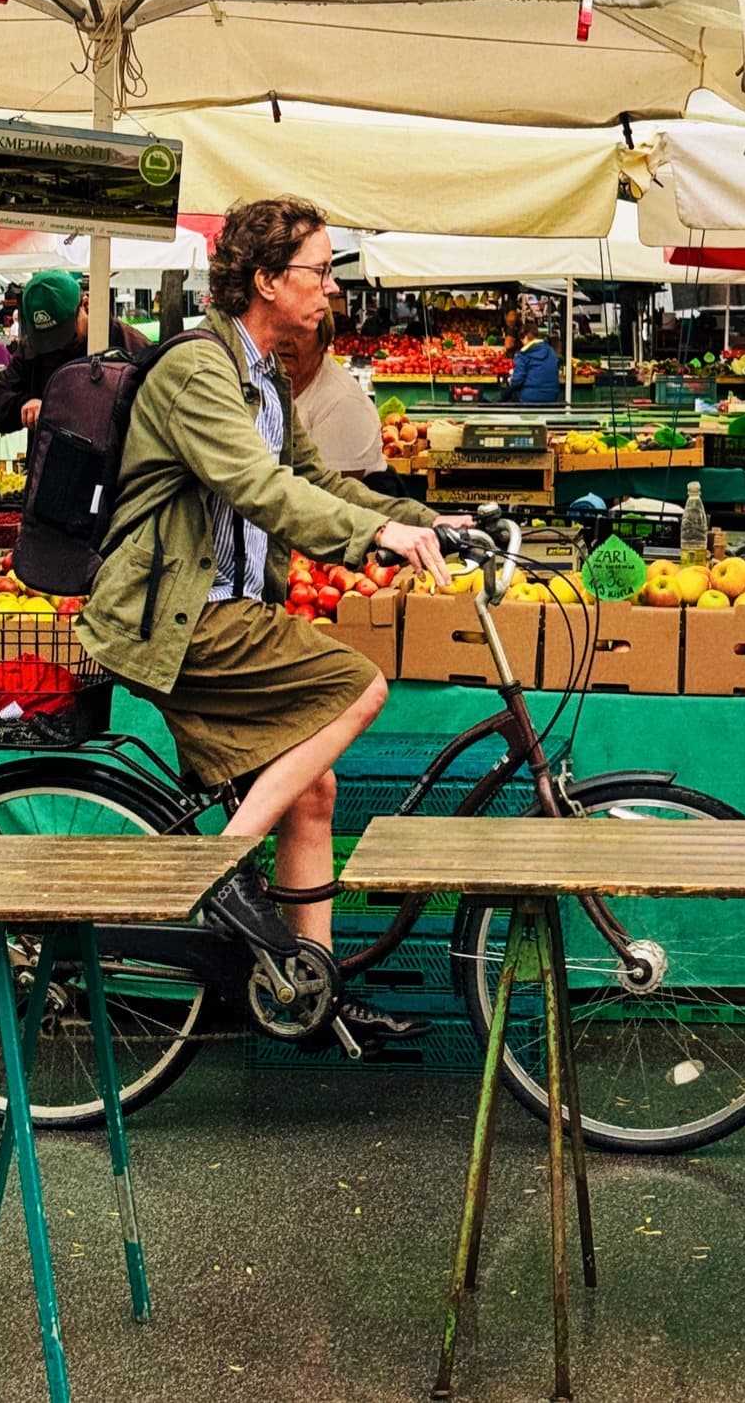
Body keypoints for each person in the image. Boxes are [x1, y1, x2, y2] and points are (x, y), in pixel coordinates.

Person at [78, 196, 470, 1054]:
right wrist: (376, 536)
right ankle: (217, 871)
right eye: (318, 270)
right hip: (178, 620)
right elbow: (264, 491)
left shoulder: (263, 374)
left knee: (315, 787)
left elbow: (315, 478)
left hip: (225, 611)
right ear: (264, 280)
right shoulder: (199, 372)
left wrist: (420, 517)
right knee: (357, 687)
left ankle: (309, 982)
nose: (331, 288)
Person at [0, 269, 148, 438]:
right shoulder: (32, 349)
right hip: (51, 459)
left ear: (86, 305)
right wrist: (22, 404)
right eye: (47, 340)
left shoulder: (132, 347)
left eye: (67, 336)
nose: (59, 346)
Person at [278, 309, 384, 477]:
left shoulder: (343, 403)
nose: (284, 340)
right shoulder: (272, 381)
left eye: (299, 332)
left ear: (322, 341)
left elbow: (334, 491)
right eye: (279, 328)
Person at [507, 320, 561, 404]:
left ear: (524, 338)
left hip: (529, 398)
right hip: (552, 397)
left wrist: (510, 380)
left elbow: (517, 381)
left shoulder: (523, 355)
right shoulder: (551, 350)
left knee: (508, 397)